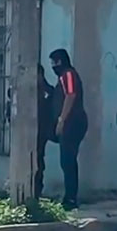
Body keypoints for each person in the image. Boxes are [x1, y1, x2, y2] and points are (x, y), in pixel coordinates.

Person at [49, 48, 88, 210]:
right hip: (71, 124)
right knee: (67, 161)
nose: (52, 66)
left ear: (59, 61)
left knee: (68, 161)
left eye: (53, 62)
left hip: (72, 124)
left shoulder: (68, 75)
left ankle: (71, 198)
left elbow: (71, 95)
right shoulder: (63, 77)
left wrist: (61, 120)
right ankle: (69, 196)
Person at [36, 64, 55, 199]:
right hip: (26, 131)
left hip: (41, 130)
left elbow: (52, 95)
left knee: (38, 160)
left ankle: (37, 189)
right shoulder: (25, 89)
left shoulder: (46, 89)